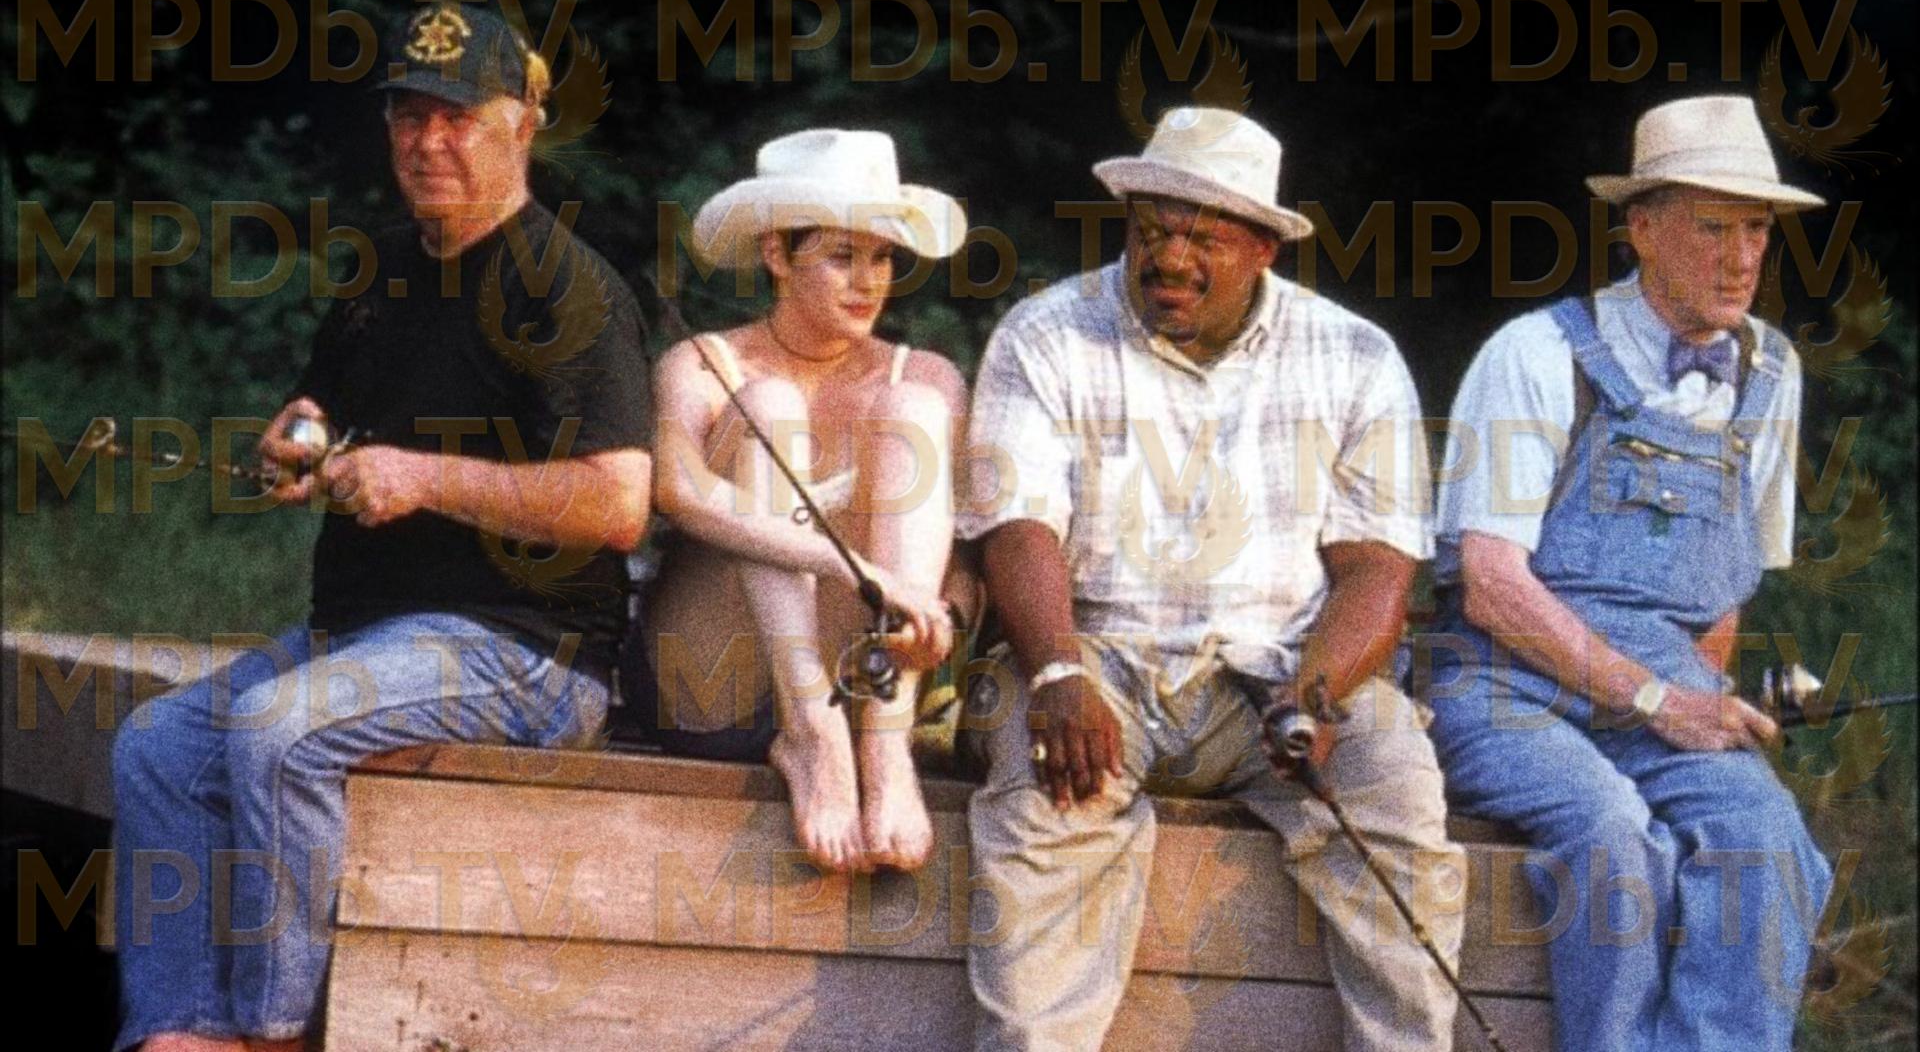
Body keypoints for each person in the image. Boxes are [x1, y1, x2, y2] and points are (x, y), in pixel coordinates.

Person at [109, 2, 654, 1051]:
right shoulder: (384, 271)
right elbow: (324, 414)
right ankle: (179, 1029)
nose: (429, 141)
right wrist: (300, 441)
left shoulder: (571, 291)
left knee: (280, 731)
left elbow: (616, 504)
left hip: (527, 650)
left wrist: (424, 477)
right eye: (409, 115)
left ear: (523, 124)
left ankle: (272, 1032)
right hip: (365, 634)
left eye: (458, 117)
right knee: (158, 745)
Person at [960, 106, 1464, 1051]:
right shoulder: (1045, 333)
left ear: (1265, 247)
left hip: (1283, 669)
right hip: (1095, 657)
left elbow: (1375, 569)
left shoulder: (1356, 356)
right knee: (1048, 805)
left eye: (1204, 239)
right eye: (1152, 230)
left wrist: (1315, 695)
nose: (1170, 257)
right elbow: (1018, 529)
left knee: (1394, 782)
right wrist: (1057, 671)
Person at [1426, 94, 1831, 1050]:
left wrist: (1693, 705)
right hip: (1503, 682)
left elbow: (1725, 595)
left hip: (1664, 689)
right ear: (1642, 229)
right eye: (1712, 229)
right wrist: (1653, 701)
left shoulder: (1773, 372)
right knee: (1615, 840)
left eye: (1756, 231)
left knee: (1768, 845)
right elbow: (1490, 585)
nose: (1740, 258)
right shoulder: (1536, 354)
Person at [645, 128, 970, 873]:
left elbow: (963, 556)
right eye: (841, 256)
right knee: (769, 403)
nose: (868, 282)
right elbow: (676, 491)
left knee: (914, 409)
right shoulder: (704, 362)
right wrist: (853, 566)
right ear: (776, 255)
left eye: (883, 258)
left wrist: (941, 621)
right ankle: (811, 736)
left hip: (863, 682)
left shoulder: (924, 376)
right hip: (714, 678)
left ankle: (884, 749)